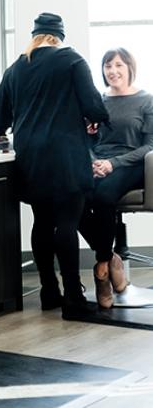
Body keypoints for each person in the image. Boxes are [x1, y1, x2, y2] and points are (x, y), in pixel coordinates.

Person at [0, 12, 109, 321]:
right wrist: (95, 120)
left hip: (30, 155)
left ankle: (48, 292)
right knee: (68, 221)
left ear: (35, 36)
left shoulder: (16, 67)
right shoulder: (71, 60)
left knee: (42, 221)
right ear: (59, 36)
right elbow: (94, 105)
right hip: (66, 152)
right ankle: (73, 298)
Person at [79, 48, 153, 308]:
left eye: (118, 65)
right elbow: (86, 139)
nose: (113, 71)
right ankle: (110, 260)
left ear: (129, 68)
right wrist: (92, 162)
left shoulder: (146, 100)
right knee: (72, 198)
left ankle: (101, 270)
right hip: (99, 164)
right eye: (108, 66)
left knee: (103, 197)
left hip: (132, 164)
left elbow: (149, 146)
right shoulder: (98, 102)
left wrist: (114, 163)